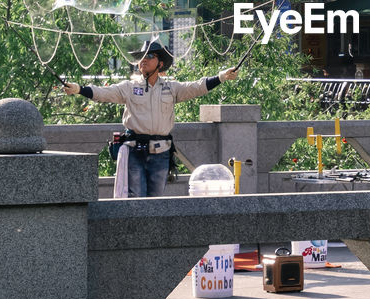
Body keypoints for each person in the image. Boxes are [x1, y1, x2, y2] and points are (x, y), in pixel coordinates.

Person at [59, 41, 238, 197]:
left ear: (160, 64)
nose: (143, 59)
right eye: (141, 57)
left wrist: (221, 76)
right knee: (136, 198)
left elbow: (196, 87)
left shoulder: (171, 88)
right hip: (135, 151)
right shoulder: (129, 87)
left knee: (156, 199)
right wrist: (79, 89)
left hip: (161, 153)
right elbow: (103, 93)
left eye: (149, 56)